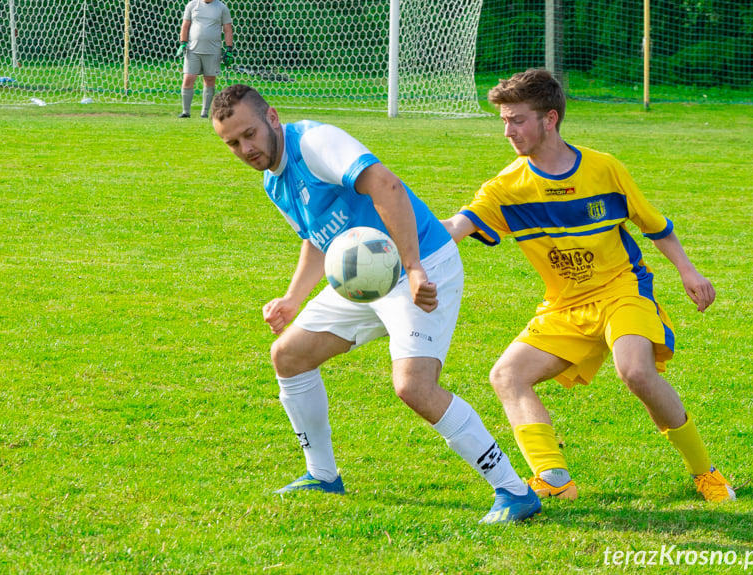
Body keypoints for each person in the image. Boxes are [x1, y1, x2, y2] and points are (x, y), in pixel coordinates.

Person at [210, 83, 541, 524]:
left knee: (414, 387)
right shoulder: (275, 181)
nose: (245, 148)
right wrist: (293, 299)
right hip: (364, 276)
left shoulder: (314, 143)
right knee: (289, 355)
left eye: (249, 134)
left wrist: (415, 266)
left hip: (421, 265)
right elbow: (316, 238)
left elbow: (386, 185)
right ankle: (322, 475)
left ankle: (514, 491)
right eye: (232, 143)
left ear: (272, 117)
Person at [442, 68, 735, 503]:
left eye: (516, 119)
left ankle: (705, 473)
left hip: (622, 289)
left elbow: (656, 227)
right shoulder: (506, 188)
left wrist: (689, 273)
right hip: (564, 305)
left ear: (550, 119)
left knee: (636, 372)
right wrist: (400, 234)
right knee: (507, 375)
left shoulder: (604, 169)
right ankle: (554, 479)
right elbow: (455, 226)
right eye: (503, 120)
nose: (507, 131)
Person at [176, 0, 233, 119]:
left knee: (209, 79)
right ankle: (186, 112)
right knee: (188, 78)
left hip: (213, 51)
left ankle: (205, 113)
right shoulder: (192, 5)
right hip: (192, 50)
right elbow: (185, 26)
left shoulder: (222, 8)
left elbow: (227, 29)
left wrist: (229, 49)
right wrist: (183, 43)